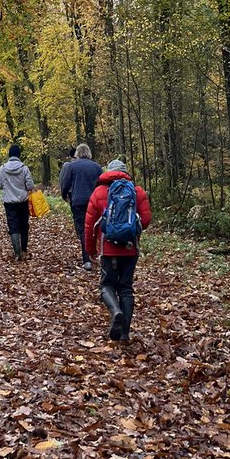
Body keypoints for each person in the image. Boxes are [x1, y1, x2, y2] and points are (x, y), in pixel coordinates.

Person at [84, 158, 152, 341]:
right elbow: (145, 220)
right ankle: (124, 333)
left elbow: (89, 225)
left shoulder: (98, 192)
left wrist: (90, 250)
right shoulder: (137, 192)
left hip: (108, 250)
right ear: (126, 173)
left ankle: (115, 311)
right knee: (126, 288)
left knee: (107, 284)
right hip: (130, 250)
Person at [60, 142, 101, 271]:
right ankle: (97, 254)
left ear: (77, 153)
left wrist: (64, 194)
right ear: (89, 153)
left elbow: (65, 183)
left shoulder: (72, 166)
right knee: (95, 227)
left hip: (77, 201)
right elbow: (102, 184)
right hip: (94, 202)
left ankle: (87, 259)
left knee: (83, 229)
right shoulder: (97, 167)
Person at [0, 143, 34, 261]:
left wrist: (7, 186)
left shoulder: (3, 168)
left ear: (9, 155)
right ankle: (24, 249)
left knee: (13, 226)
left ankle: (17, 253)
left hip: (9, 202)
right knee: (24, 225)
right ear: (19, 155)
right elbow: (30, 185)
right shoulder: (24, 168)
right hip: (22, 201)